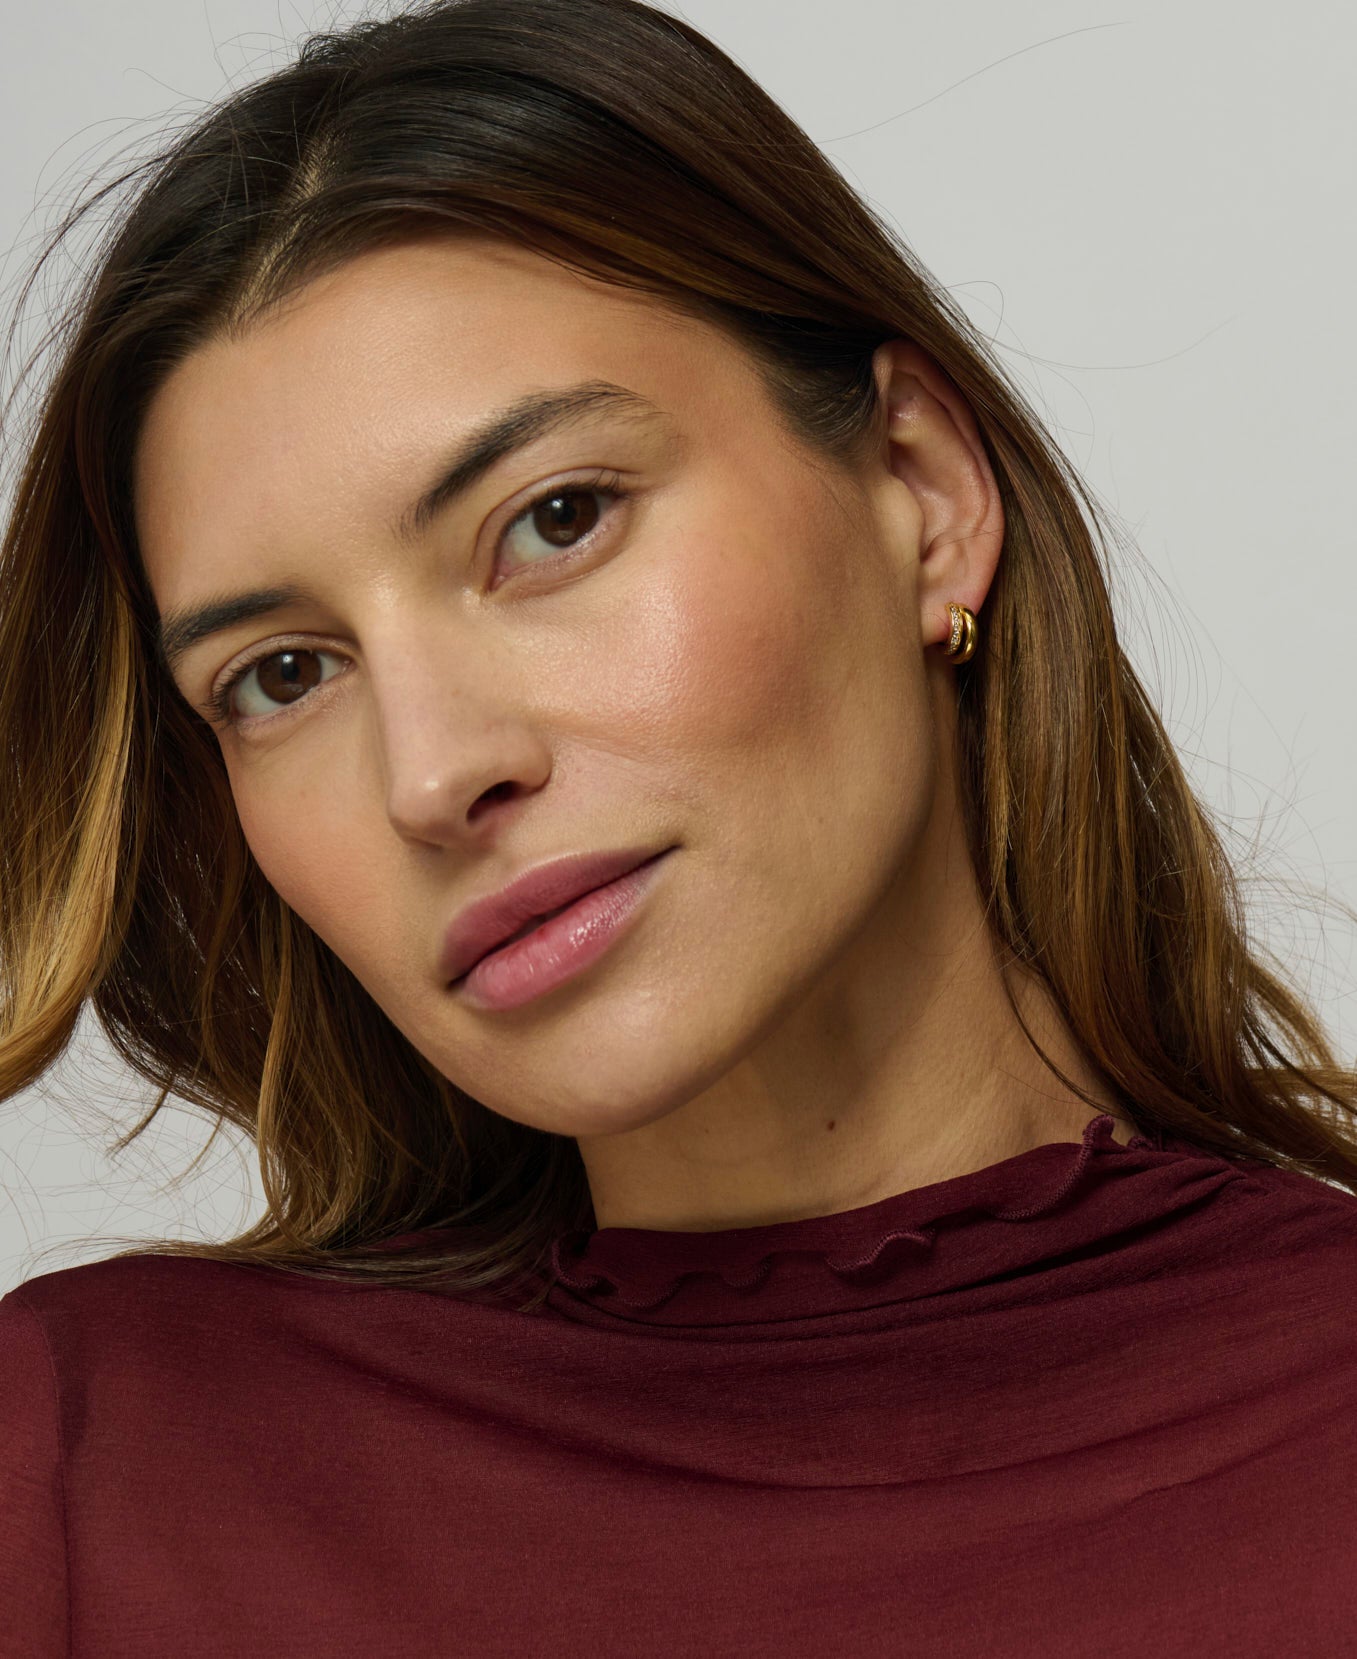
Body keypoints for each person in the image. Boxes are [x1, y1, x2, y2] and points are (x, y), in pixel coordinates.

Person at [1, 0, 1354, 1652]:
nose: (434, 771)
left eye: (553, 523)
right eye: (283, 675)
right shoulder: (90, 1470)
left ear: (922, 494)